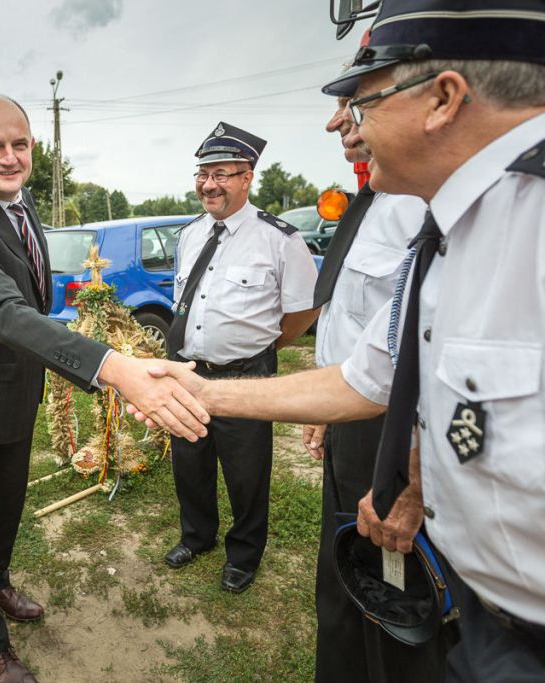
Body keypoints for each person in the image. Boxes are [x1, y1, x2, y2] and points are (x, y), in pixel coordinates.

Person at [143, 1, 545, 676]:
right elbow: (370, 374)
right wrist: (200, 387)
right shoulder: (446, 228)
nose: (339, 123)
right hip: (484, 618)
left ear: (444, 99)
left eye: (362, 103)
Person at [0, 93, 209, 682]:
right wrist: (114, 366)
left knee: (7, 510)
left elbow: (34, 298)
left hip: (14, 390)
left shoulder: (21, 203)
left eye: (20, 144)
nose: (10, 158)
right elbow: (5, 312)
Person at [307, 97, 444, 681]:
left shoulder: (428, 208)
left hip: (397, 435)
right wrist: (322, 406)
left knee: (395, 599)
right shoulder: (375, 200)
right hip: (349, 415)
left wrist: (410, 478)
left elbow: (434, 355)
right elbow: (352, 321)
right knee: (342, 581)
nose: (337, 122)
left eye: (356, 106)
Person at [163, 122, 318, 594]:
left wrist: (267, 348)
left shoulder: (280, 239)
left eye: (222, 174)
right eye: (203, 173)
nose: (208, 184)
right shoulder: (189, 234)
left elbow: (304, 310)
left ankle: (244, 554)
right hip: (190, 373)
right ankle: (198, 536)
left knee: (247, 474)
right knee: (189, 464)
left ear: (247, 177)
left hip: (247, 376)